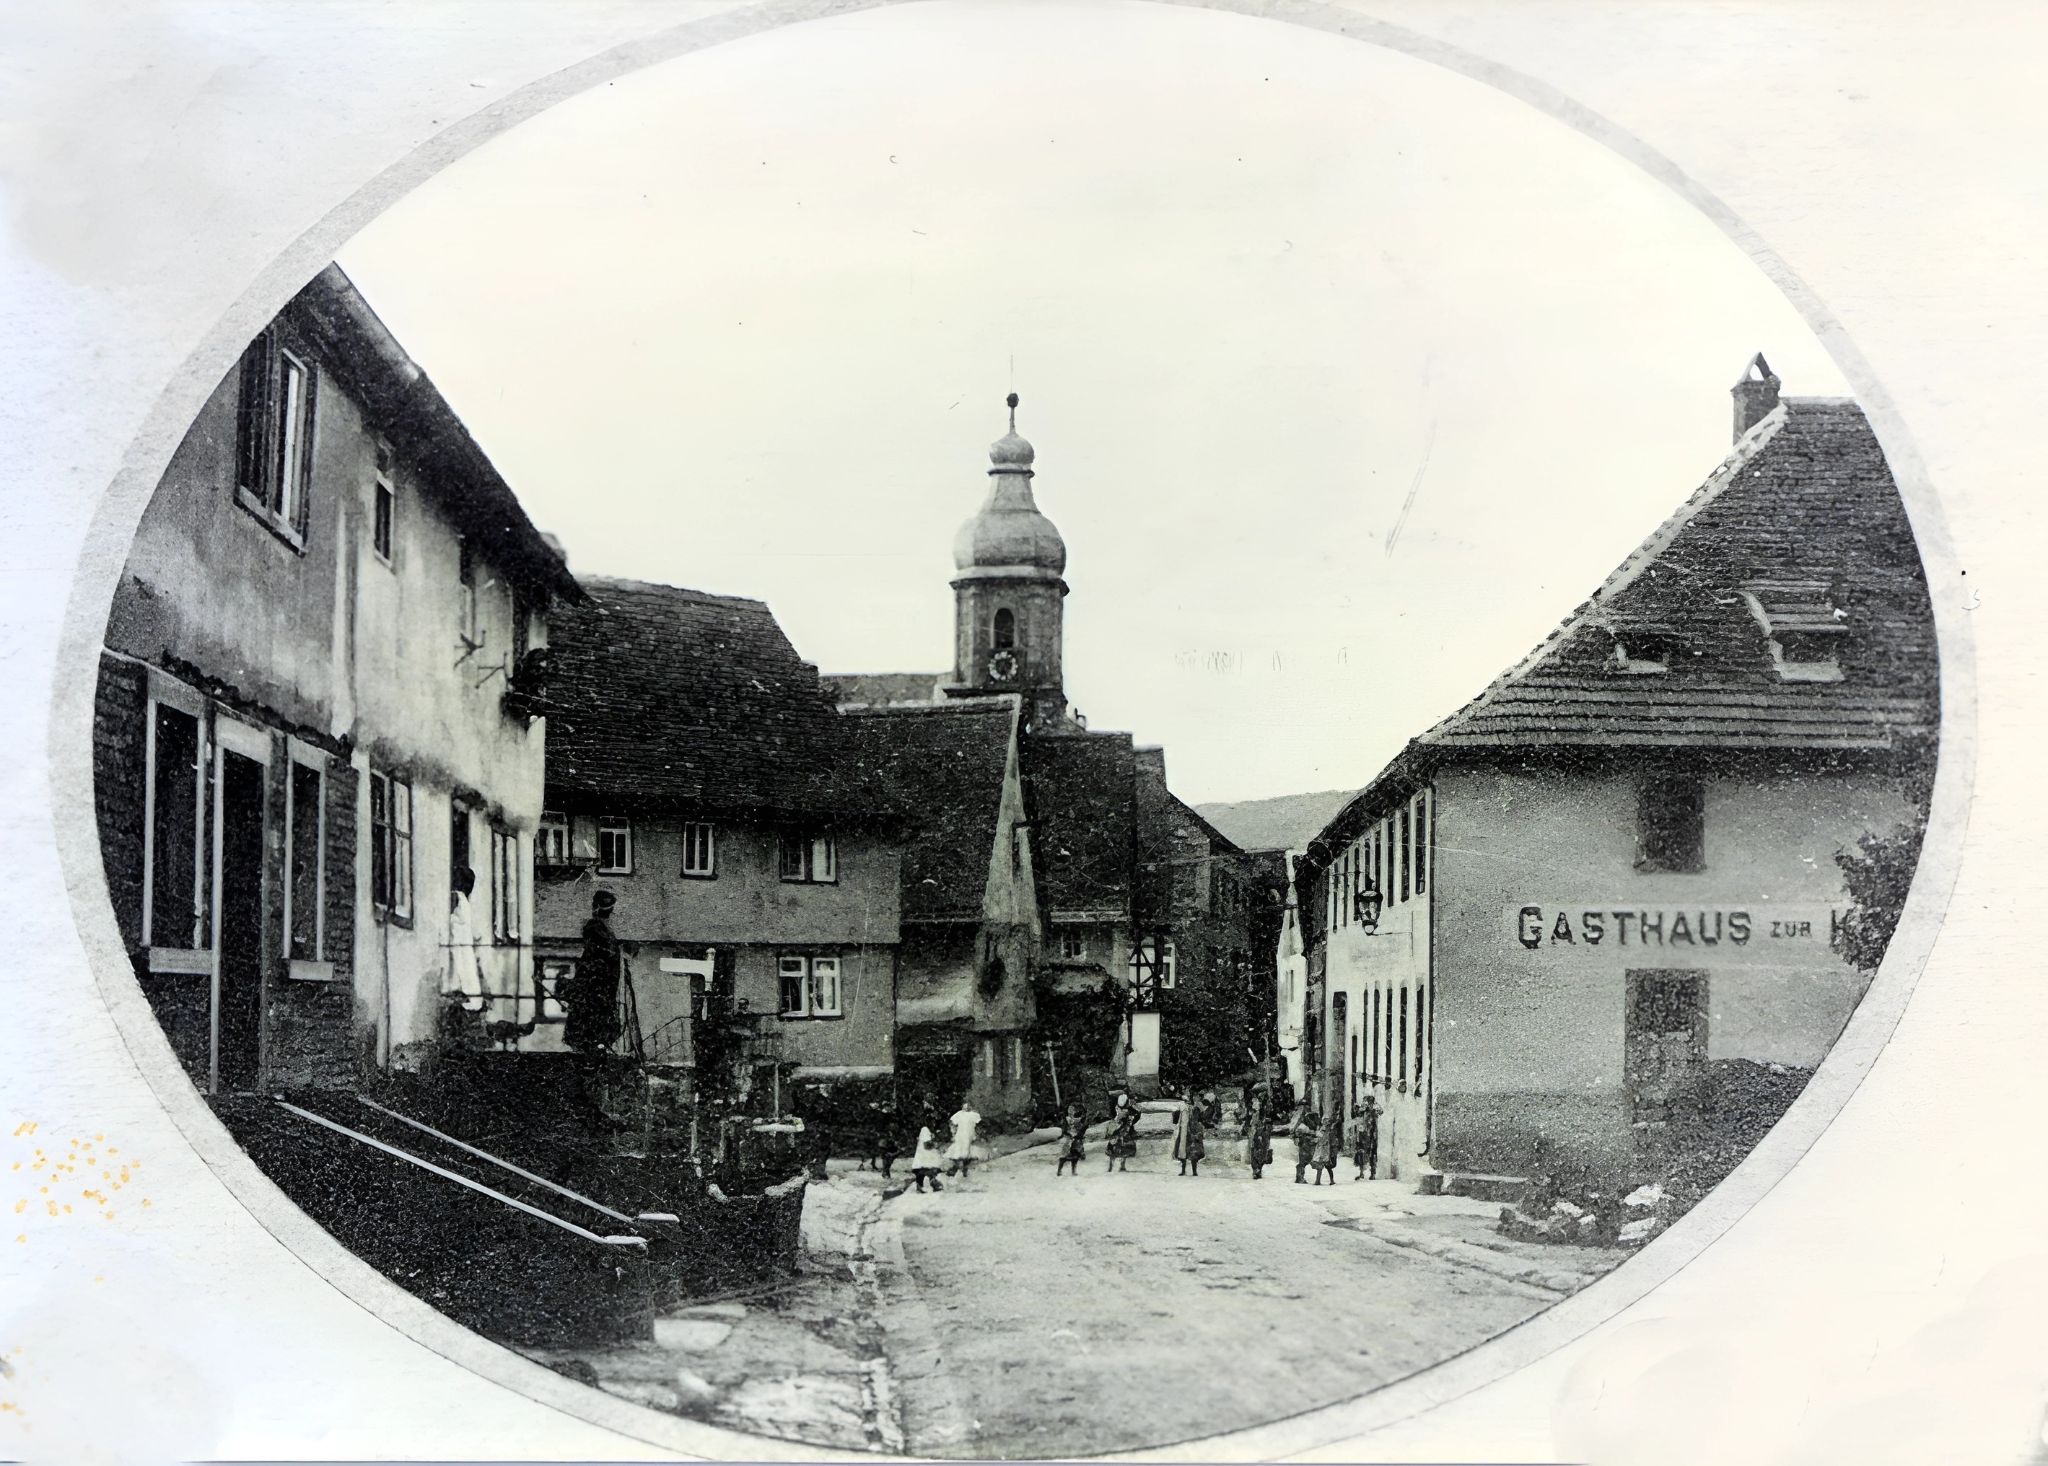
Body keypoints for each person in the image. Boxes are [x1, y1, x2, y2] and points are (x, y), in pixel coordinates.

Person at [439, 866, 487, 1053]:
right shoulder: (465, 901)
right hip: (462, 946)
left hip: (457, 946)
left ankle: (455, 1039)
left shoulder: (457, 898)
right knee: (466, 976)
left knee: (459, 974)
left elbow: (452, 922)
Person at [1171, 1086, 1207, 1177]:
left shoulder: (1196, 1106)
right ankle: (1184, 1170)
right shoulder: (1182, 1106)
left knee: (1193, 1151)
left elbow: (1202, 1118)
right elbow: (1175, 1119)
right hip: (1184, 1130)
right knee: (1183, 1150)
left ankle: (1193, 1171)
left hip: (1193, 1130)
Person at [946, 1098, 985, 1179]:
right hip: (960, 1134)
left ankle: (963, 1168)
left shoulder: (973, 1114)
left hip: (969, 1134)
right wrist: (953, 1131)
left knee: (966, 1150)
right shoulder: (959, 1114)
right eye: (964, 1106)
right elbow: (952, 1121)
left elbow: (979, 1123)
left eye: (967, 1106)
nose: (966, 1108)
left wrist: (978, 1133)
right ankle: (958, 1169)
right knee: (958, 1150)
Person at [1104, 1088, 1139, 1173]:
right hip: (1123, 1132)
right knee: (1123, 1149)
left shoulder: (1118, 1108)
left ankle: (1111, 1167)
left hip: (1118, 1132)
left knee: (1114, 1149)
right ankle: (1121, 1167)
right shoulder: (1126, 1111)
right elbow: (1136, 1114)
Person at [1244, 1090, 1274, 1181]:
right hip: (1256, 1133)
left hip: (1263, 1133)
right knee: (1255, 1151)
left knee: (1263, 1152)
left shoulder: (1265, 1110)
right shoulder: (1255, 1111)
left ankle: (1258, 1170)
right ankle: (1256, 1170)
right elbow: (1249, 1122)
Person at [910, 1116, 945, 1193]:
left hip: (925, 1156)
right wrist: (935, 1145)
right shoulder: (925, 1129)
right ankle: (924, 1186)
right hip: (925, 1157)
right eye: (932, 1122)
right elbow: (926, 1144)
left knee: (927, 1172)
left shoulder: (926, 1130)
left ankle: (929, 1185)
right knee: (927, 1170)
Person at [1311, 1104, 1343, 1186]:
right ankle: (1318, 1181)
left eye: (1327, 1121)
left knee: (1327, 1167)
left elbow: (1331, 1141)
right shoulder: (1323, 1130)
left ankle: (1330, 1180)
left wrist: (1333, 1150)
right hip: (1323, 1150)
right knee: (1321, 1167)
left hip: (1327, 1150)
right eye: (1325, 1120)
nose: (1326, 1122)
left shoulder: (1330, 1131)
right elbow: (1319, 1138)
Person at [1352, 1094, 1381, 1181]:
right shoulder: (1363, 1109)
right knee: (1361, 1152)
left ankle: (1372, 1173)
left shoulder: (1375, 1108)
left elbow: (1380, 1112)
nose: (1368, 1103)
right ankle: (1361, 1173)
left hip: (1371, 1134)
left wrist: (1373, 1110)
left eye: (1369, 1101)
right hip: (1363, 1134)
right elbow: (1358, 1114)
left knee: (1372, 1153)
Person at [1054, 1102, 1088, 1177]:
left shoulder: (1077, 1119)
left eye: (1072, 1109)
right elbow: (1064, 1128)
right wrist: (1068, 1133)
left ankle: (1079, 1156)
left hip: (1076, 1136)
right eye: (1070, 1109)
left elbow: (1081, 1125)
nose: (1071, 1111)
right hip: (1069, 1136)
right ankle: (1062, 1164)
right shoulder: (1066, 1119)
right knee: (1067, 1148)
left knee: (1078, 1146)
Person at [1291, 1102, 1320, 1185]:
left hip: (1308, 1142)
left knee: (1305, 1160)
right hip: (1305, 1142)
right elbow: (1298, 1130)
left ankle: (1300, 1177)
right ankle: (1300, 1177)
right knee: (1303, 1161)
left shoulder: (1308, 1116)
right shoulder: (1302, 1117)